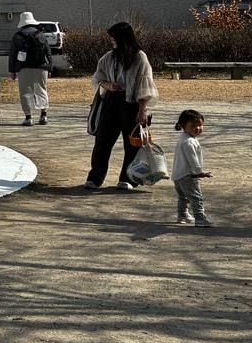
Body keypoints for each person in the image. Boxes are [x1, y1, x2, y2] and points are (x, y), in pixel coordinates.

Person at [86, 20, 159, 191]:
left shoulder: (139, 57)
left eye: (113, 37)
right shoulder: (109, 57)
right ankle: (95, 177)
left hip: (131, 103)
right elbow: (97, 78)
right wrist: (107, 84)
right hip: (110, 101)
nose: (111, 40)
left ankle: (128, 178)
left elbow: (144, 85)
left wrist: (142, 109)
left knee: (132, 143)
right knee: (102, 141)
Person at [170, 109, 213, 227]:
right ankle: (199, 218)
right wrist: (199, 172)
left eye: (200, 125)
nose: (198, 128)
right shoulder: (189, 142)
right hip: (188, 176)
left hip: (177, 175)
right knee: (196, 197)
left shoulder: (184, 138)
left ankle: (182, 215)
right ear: (184, 126)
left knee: (183, 197)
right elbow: (192, 159)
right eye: (194, 126)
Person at [9, 11, 52, 126]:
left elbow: (13, 54)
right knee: (42, 89)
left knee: (25, 91)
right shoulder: (41, 35)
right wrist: (50, 68)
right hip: (41, 67)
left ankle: (28, 117)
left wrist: (12, 70)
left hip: (24, 67)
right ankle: (44, 115)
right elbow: (48, 52)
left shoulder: (17, 36)